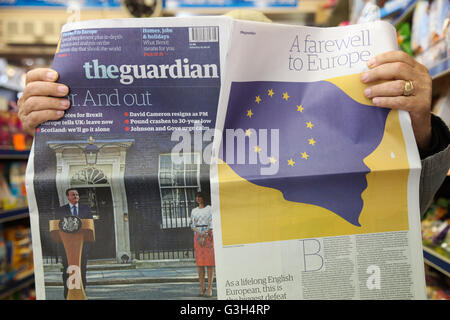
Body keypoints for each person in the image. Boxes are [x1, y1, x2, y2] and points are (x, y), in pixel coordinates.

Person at [55, 188, 93, 299]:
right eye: (73, 194)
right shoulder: (61, 210)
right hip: (66, 248)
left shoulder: (86, 209)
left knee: (81, 271)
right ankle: (67, 295)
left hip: (82, 248)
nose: (76, 196)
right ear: (68, 197)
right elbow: (57, 227)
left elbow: (91, 226)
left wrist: (88, 246)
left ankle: (81, 294)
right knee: (68, 271)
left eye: (77, 194)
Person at [190, 192, 215, 297]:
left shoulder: (210, 209)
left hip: (208, 235)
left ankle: (209, 288)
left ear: (204, 198)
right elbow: (192, 225)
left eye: (200, 197)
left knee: (209, 263)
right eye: (197, 197)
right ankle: (202, 287)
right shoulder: (194, 211)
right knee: (200, 264)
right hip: (198, 236)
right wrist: (200, 234)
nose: (198, 199)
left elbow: (212, 223)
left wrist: (204, 234)